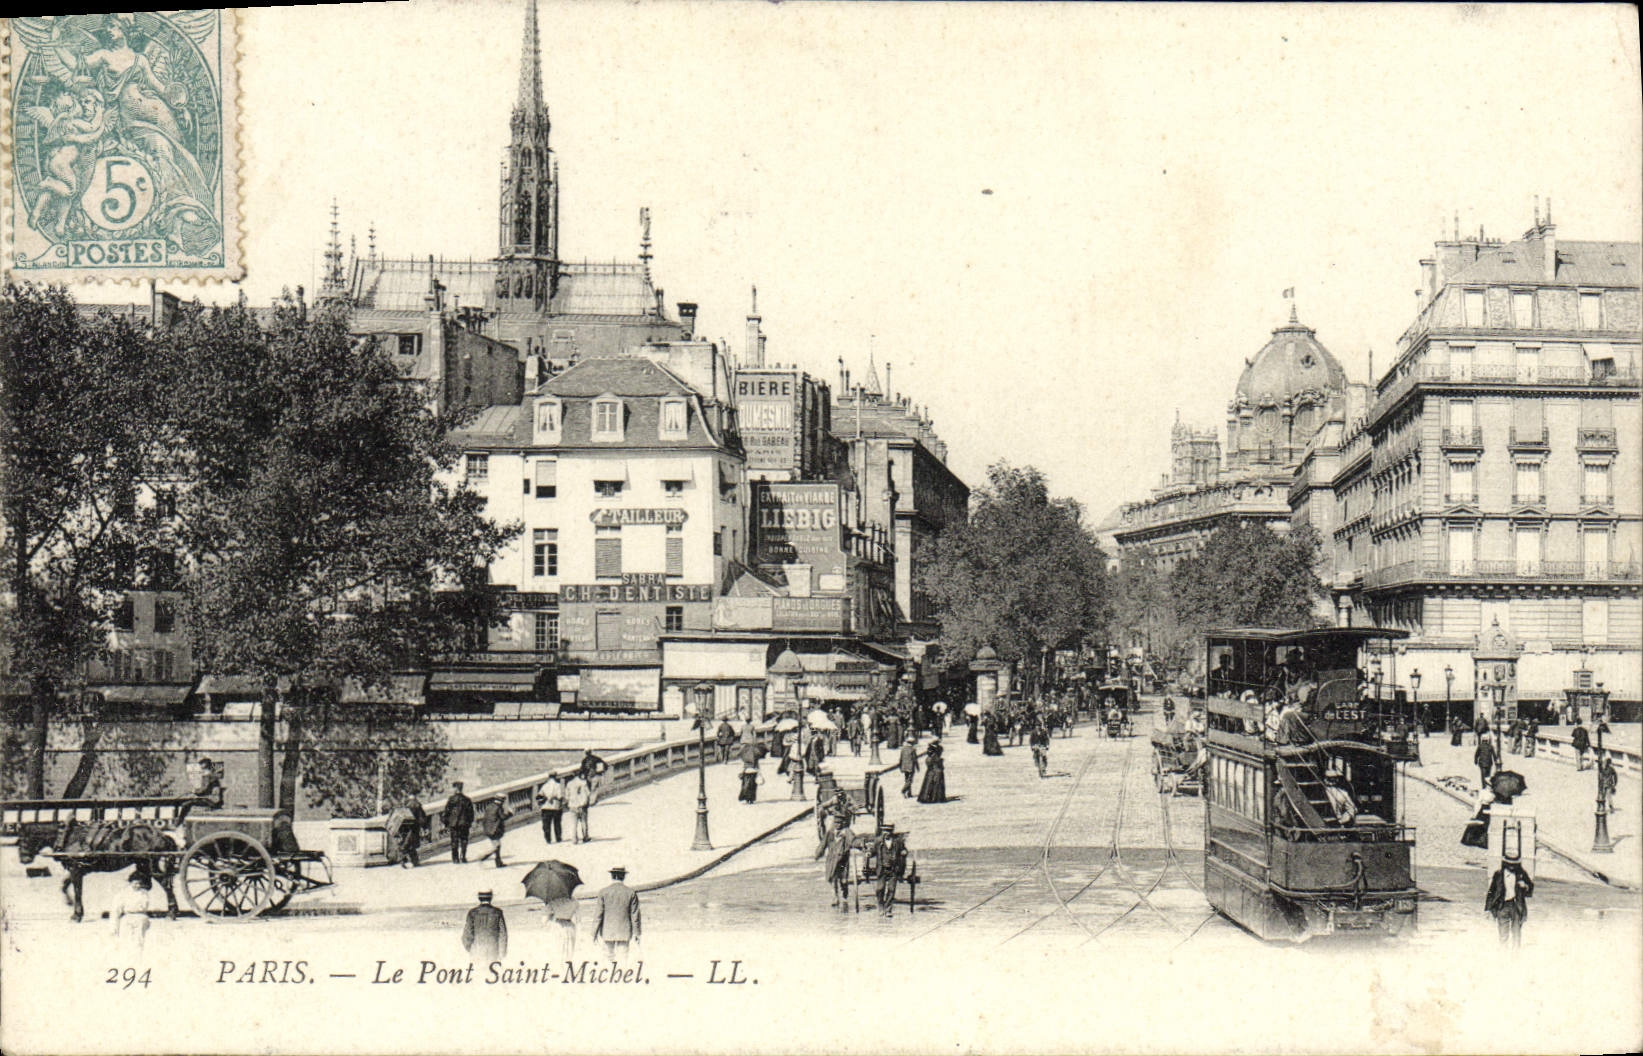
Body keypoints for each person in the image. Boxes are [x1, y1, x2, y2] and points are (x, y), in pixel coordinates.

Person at [1484, 848, 1535, 947]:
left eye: (1514, 865)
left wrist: (1525, 886)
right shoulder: (1498, 874)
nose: (1512, 868)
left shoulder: (1521, 874)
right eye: (1509, 865)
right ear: (1505, 864)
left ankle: (1515, 957)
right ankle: (1503, 957)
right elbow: (1491, 892)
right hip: (1502, 906)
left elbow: (1530, 888)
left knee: (1516, 934)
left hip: (1516, 906)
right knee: (1503, 935)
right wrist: (1488, 909)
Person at [594, 867, 641, 960]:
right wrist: (637, 933)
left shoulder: (603, 892)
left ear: (612, 876)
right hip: (624, 931)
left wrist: (593, 933)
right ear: (623, 877)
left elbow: (598, 915)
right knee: (623, 958)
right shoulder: (631, 892)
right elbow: (635, 916)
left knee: (608, 957)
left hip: (607, 931)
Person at [110, 873, 152, 952]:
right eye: (135, 883)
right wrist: (114, 926)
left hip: (140, 918)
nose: (138, 885)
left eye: (140, 883)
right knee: (125, 942)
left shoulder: (144, 893)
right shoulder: (123, 893)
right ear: (130, 882)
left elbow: (144, 906)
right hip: (127, 917)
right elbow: (116, 911)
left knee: (139, 942)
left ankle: (138, 961)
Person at [461, 890, 507, 962]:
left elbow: (466, 936)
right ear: (491, 897)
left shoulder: (472, 912)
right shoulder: (498, 912)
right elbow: (503, 935)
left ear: (479, 898)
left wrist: (470, 949)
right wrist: (502, 953)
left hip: (477, 950)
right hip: (493, 950)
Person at [442, 781, 475, 864]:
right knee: (464, 840)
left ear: (456, 788)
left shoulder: (451, 799)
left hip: (453, 824)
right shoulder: (467, 800)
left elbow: (446, 812)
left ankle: (455, 858)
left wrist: (446, 822)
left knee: (454, 841)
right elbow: (471, 813)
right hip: (464, 823)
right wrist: (470, 822)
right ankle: (463, 857)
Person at [482, 797, 510, 868]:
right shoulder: (498, 808)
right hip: (495, 830)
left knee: (497, 845)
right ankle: (485, 856)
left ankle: (498, 862)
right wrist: (510, 813)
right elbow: (503, 817)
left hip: (488, 829)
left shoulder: (489, 806)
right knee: (496, 846)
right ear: (501, 801)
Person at [537, 775, 566, 845]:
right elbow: (559, 796)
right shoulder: (558, 785)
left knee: (546, 824)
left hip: (546, 807)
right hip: (555, 807)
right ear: (555, 777)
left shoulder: (544, 786)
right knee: (557, 823)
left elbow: (539, 796)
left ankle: (548, 839)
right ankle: (558, 837)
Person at [917, 738, 947, 804]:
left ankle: (930, 797)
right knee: (933, 783)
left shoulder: (933, 751)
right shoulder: (935, 752)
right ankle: (935, 797)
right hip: (935, 768)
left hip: (932, 769)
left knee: (929, 783)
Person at [566, 772, 593, 844]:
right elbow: (588, 793)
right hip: (582, 805)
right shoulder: (583, 783)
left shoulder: (569, 784)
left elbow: (567, 796)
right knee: (584, 822)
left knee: (573, 823)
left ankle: (574, 839)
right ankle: (585, 836)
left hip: (573, 806)